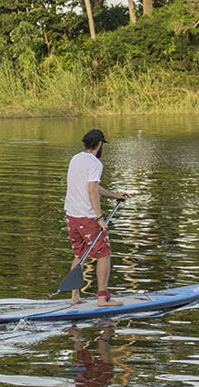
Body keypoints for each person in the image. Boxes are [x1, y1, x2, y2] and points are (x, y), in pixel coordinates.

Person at [65, 129, 129, 306]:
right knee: (104, 254)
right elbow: (92, 190)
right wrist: (100, 218)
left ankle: (75, 296)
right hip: (87, 217)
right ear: (99, 144)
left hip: (71, 216)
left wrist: (115, 195)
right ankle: (102, 298)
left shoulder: (75, 158)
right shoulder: (95, 164)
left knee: (79, 254)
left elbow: (92, 187)